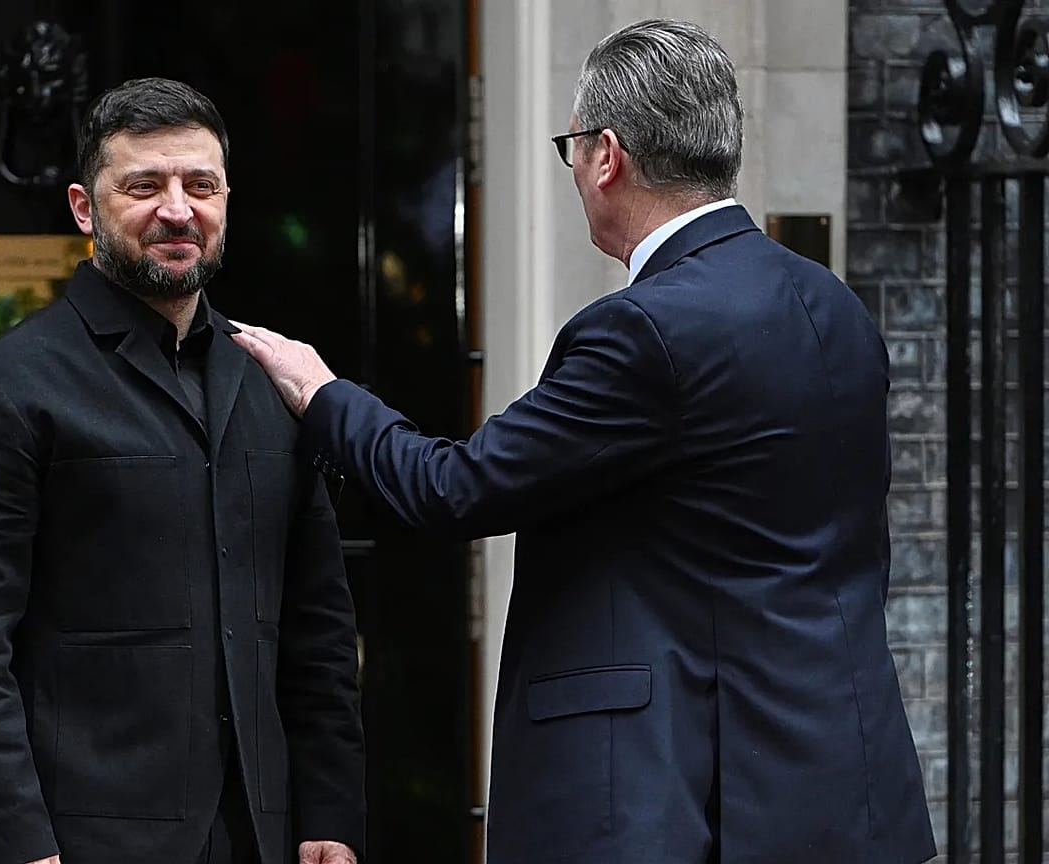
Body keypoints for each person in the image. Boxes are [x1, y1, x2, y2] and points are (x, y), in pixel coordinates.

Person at [233, 19, 936, 864]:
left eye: (572, 149)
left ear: (607, 155)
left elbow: (455, 488)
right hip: (839, 788)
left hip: (681, 798)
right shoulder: (836, 308)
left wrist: (322, 394)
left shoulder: (643, 329)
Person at [0, 77, 365, 864]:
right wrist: (17, 843)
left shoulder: (272, 382)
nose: (177, 209)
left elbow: (317, 628)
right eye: (143, 185)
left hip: (262, 837)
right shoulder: (8, 387)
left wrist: (328, 814)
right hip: (82, 839)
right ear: (84, 209)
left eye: (201, 185)